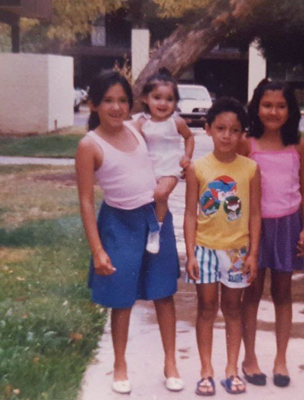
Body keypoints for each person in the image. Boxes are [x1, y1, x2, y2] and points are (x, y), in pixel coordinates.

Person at [75, 69, 183, 394]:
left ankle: (171, 362)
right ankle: (120, 364)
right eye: (108, 101)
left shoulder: (137, 129)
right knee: (122, 299)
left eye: (123, 100)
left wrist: (172, 179)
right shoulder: (89, 145)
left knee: (164, 294)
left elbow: (167, 155)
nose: (117, 107)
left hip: (154, 221)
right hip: (118, 225)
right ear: (93, 104)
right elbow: (84, 202)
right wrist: (97, 250)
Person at [184, 97, 261, 396]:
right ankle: (206, 370)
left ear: (243, 133)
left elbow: (254, 214)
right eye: (220, 128)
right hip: (203, 248)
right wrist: (190, 253)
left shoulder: (251, 169)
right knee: (206, 308)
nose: (227, 135)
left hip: (237, 251)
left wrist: (253, 253)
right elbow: (191, 213)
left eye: (234, 129)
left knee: (233, 308)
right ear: (207, 130)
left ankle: (231, 369)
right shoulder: (197, 168)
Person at [239, 80, 304, 388]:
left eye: (281, 106)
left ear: (290, 110)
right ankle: (249, 358)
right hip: (253, 227)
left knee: (283, 293)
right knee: (252, 292)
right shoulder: (247, 143)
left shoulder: (300, 145)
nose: (273, 111)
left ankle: (281, 359)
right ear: (257, 107)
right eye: (267, 105)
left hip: (288, 225)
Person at [136, 69, 194, 254]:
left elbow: (189, 138)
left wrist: (187, 156)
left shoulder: (176, 122)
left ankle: (156, 231)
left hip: (170, 167)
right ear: (146, 98)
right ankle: (147, 226)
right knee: (146, 198)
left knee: (161, 194)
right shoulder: (141, 122)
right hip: (148, 168)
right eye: (157, 97)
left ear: (175, 102)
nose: (163, 103)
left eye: (169, 99)